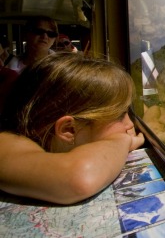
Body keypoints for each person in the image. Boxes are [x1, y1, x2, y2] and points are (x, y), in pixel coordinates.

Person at [0, 54, 144, 204]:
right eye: (120, 116)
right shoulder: (5, 143)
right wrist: (121, 140)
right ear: (69, 130)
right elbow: (79, 178)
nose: (130, 124)